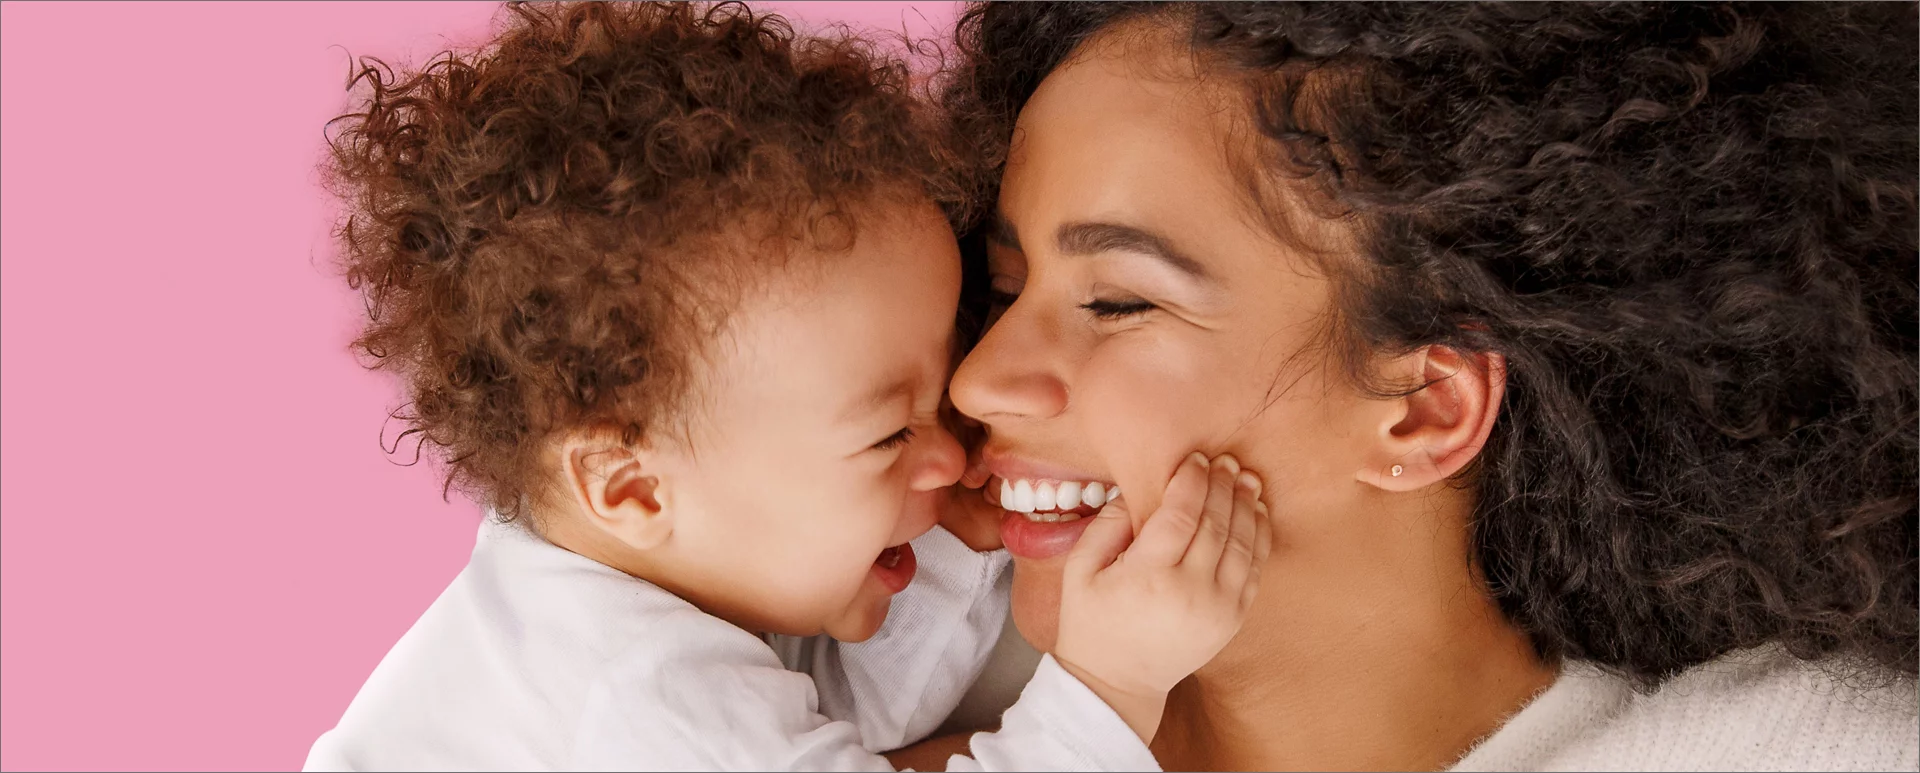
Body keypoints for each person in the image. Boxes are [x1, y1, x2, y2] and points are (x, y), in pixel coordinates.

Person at [936, 2, 1920, 770]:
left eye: (1115, 301)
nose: (979, 379)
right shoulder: (857, 689)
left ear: (1426, 407)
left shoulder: (1812, 747)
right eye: (1006, 286)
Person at [303, 2, 1270, 770]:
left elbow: (831, 722)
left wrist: (948, 550)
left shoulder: (622, 568)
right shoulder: (628, 690)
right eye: (893, 434)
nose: (959, 437)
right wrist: (1110, 685)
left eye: (940, 395)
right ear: (630, 485)